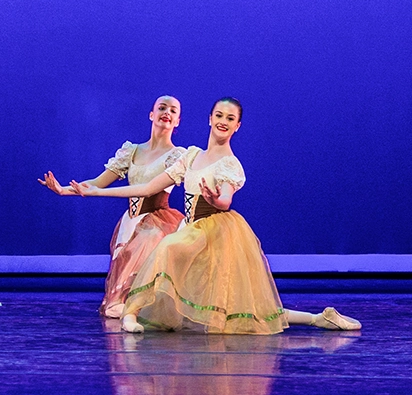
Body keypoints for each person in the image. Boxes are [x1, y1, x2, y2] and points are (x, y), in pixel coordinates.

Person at [72, 97, 361, 334]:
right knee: (194, 285)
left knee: (242, 308)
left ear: (237, 126)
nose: (223, 121)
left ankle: (319, 318)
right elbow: (147, 187)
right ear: (210, 118)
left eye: (230, 118)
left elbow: (224, 200)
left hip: (216, 233)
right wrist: (97, 192)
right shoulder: (191, 156)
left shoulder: (230, 164)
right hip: (191, 229)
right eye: (219, 115)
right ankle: (132, 314)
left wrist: (214, 198)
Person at [39, 95, 186, 318]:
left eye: (173, 111)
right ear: (151, 114)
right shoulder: (132, 150)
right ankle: (129, 308)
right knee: (120, 289)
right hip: (131, 221)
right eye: (162, 108)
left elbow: (146, 189)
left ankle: (142, 308)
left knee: (149, 243)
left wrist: (98, 192)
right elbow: (97, 183)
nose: (167, 112)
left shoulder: (178, 155)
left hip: (158, 222)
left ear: (177, 121)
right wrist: (63, 190)